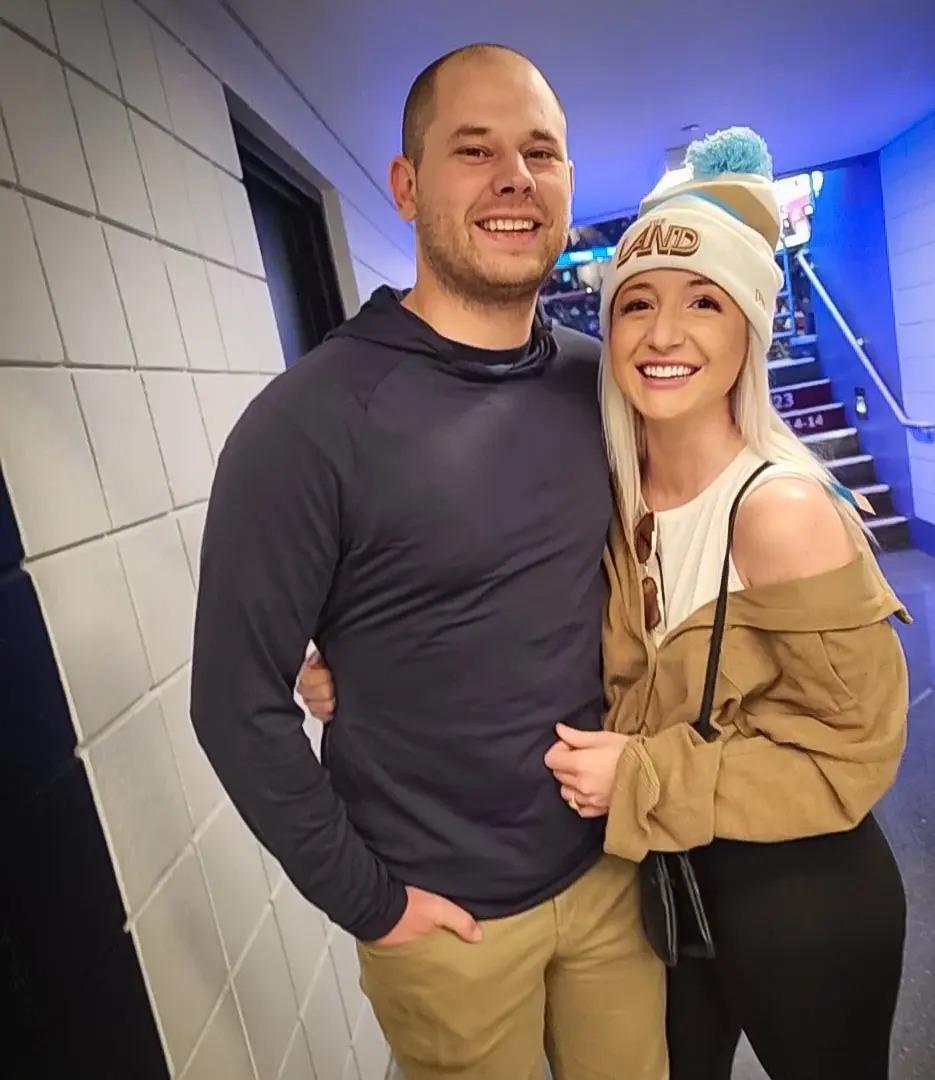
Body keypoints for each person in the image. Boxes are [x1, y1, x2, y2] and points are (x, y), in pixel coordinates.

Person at [301, 128, 910, 1080]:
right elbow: (521, 618)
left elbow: (854, 755)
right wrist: (372, 668)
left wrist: (644, 775)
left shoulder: (780, 512)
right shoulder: (613, 496)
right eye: (637, 304)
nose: (664, 335)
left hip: (801, 896)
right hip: (661, 889)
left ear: (748, 330)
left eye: (703, 301)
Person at [190, 43, 666, 1080]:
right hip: (448, 925)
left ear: (570, 184)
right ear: (406, 187)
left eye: (541, 152)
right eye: (475, 150)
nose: (515, 178)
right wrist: (372, 902)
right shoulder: (310, 423)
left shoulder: (599, 384)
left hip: (609, 874)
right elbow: (233, 703)